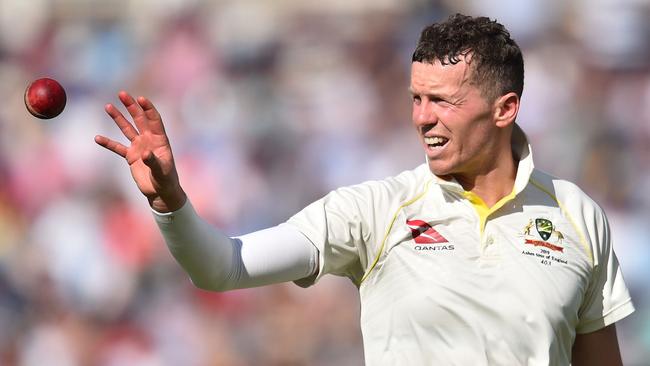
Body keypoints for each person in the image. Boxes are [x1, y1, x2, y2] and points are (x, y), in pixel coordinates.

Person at [94, 13, 634, 365]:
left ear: (505, 110)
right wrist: (169, 201)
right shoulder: (374, 210)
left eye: (442, 101)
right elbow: (223, 267)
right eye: (416, 98)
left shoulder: (575, 214)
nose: (422, 118)